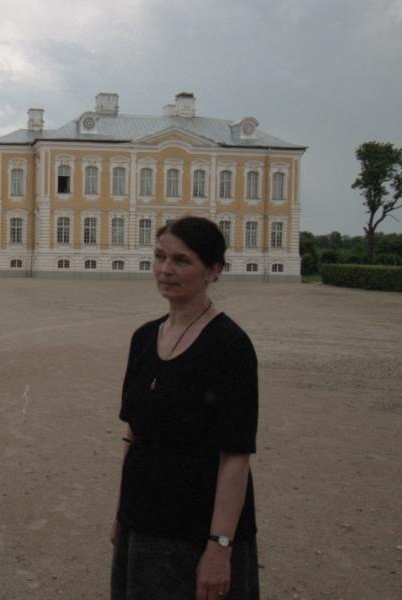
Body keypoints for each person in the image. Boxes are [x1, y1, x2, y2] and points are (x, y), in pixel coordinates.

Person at [110, 216, 260, 600]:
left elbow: (235, 456)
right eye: (160, 256)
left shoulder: (230, 346)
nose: (165, 269)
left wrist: (219, 547)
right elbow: (132, 435)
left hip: (197, 532)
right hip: (143, 523)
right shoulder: (144, 338)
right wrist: (122, 514)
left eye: (181, 260)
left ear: (213, 270)